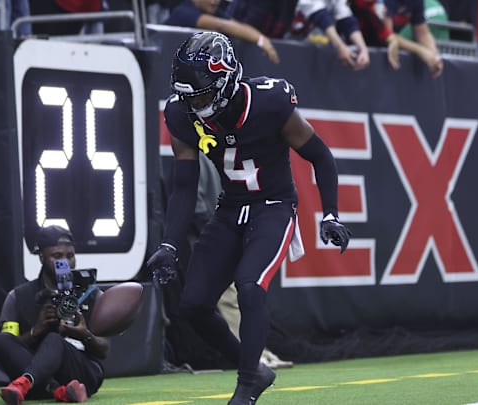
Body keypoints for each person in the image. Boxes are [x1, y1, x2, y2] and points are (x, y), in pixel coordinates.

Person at [146, 31, 351, 405]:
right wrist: (169, 244)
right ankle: (253, 369)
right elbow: (184, 187)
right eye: (188, 95)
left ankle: (244, 389)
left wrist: (330, 214)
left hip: (273, 206)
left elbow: (320, 156)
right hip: (230, 209)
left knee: (250, 285)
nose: (194, 103)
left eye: (202, 94)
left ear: (225, 81)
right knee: (193, 305)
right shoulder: (181, 113)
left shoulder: (269, 103)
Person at [0, 225, 109, 405]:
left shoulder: (92, 294)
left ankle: (26, 384)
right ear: (41, 257)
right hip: (36, 367)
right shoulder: (18, 296)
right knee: (2, 339)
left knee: (55, 339)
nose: (65, 263)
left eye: (70, 256)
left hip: (82, 371)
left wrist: (84, 335)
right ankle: (58, 391)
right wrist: (35, 331)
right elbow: (12, 347)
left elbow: (104, 349)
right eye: (57, 256)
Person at [163, 0, 281, 64]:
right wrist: (260, 40)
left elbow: (237, 25)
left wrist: (262, 39)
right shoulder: (183, 12)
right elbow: (222, 25)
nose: (215, 1)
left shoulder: (216, 11)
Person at [351, 0, 444, 78]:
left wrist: (434, 56)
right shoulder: (384, 2)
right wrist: (421, 51)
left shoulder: (417, 2)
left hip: (381, 59)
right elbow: (388, 35)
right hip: (358, 48)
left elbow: (423, 33)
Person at [289, 0, 371, 70]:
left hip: (318, 55)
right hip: (292, 48)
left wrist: (363, 49)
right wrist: (340, 46)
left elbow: (348, 22)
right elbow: (321, 17)